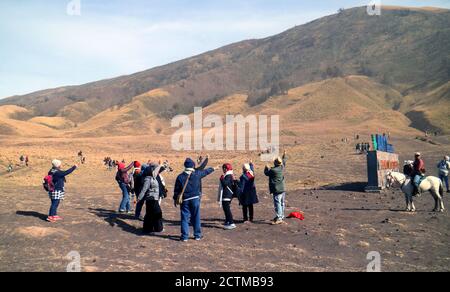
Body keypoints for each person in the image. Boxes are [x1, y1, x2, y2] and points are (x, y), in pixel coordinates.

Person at [173, 158, 216, 242]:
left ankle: (185, 236)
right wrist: (213, 168)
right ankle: (197, 235)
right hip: (195, 199)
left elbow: (176, 190)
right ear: (192, 165)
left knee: (184, 218)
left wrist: (175, 199)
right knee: (196, 217)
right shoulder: (197, 174)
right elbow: (206, 172)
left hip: (185, 200)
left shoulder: (180, 176)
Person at [137, 163, 164, 234]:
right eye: (155, 170)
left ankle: (148, 229)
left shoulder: (154, 177)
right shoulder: (148, 179)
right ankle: (158, 228)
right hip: (151, 199)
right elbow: (144, 189)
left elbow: (160, 168)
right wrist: (139, 198)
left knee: (149, 214)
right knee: (157, 213)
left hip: (154, 198)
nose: (157, 171)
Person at [264, 150, 288, 225]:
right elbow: (284, 161)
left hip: (277, 189)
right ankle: (281, 216)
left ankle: (279, 218)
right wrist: (284, 155)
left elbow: (266, 173)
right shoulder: (281, 167)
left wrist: (266, 168)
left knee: (277, 203)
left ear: (275, 163)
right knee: (281, 203)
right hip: (282, 188)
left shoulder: (273, 170)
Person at [218, 163, 238, 230]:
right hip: (228, 194)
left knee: (227, 209)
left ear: (226, 169)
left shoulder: (228, 175)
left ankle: (232, 223)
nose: (223, 170)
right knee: (225, 208)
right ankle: (227, 221)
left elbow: (225, 184)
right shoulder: (230, 175)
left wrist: (222, 179)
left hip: (227, 194)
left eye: (223, 168)